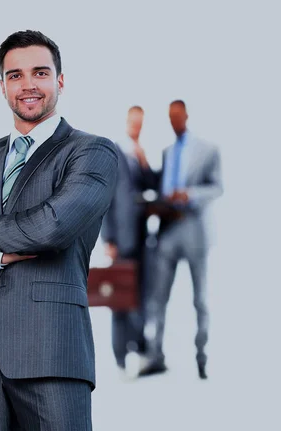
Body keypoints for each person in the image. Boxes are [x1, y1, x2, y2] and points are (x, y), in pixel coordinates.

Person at [0, 30, 118, 430]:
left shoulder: (91, 152)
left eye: (40, 73)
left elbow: (52, 227)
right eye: (15, 75)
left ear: (60, 81)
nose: (28, 84)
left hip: (53, 351)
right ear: (2, 86)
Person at [141, 100, 223, 380]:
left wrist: (190, 194)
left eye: (178, 117)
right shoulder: (166, 152)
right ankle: (155, 355)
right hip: (168, 231)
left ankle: (202, 356)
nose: (175, 122)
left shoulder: (207, 150)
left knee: (199, 298)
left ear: (186, 116)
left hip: (194, 231)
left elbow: (217, 186)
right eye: (170, 118)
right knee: (157, 297)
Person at [101, 106, 155, 374]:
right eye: (133, 122)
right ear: (126, 122)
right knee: (121, 299)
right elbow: (106, 198)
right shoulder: (115, 150)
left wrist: (144, 162)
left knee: (139, 296)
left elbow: (151, 187)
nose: (137, 127)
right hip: (121, 240)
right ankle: (121, 357)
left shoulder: (138, 153)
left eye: (140, 123)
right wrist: (108, 238)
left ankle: (140, 349)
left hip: (141, 238)